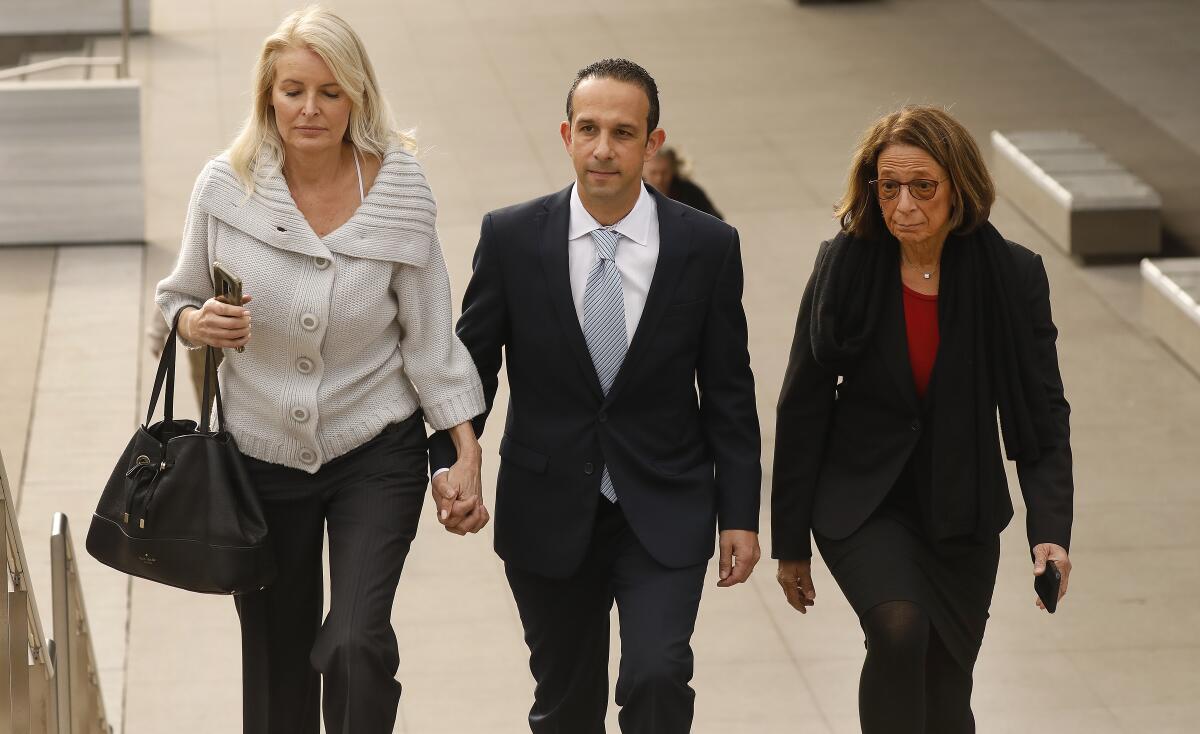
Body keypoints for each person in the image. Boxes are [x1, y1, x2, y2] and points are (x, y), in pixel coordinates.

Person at [154, 7, 487, 733]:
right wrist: (194, 322)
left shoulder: (400, 189)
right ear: (267, 96)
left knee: (354, 642)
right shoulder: (225, 185)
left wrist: (465, 449)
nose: (310, 108)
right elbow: (174, 302)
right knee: (275, 662)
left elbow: (432, 341)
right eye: (293, 89)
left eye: (330, 92)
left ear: (357, 99)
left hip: (374, 449)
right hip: (259, 461)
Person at [428, 58, 762, 734]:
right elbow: (470, 369)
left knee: (657, 677)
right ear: (566, 135)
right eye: (589, 129)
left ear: (652, 144)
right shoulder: (513, 238)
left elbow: (729, 390)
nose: (604, 149)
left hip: (664, 506)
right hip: (547, 510)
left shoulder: (706, 246)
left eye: (623, 132)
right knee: (566, 706)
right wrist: (450, 459)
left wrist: (740, 514)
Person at [771, 105, 1075, 733]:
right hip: (861, 502)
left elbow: (1041, 412)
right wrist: (790, 542)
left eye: (923, 186)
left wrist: (1050, 531)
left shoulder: (1013, 276)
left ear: (959, 187)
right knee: (899, 630)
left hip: (961, 511)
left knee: (944, 693)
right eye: (889, 186)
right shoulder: (845, 267)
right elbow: (802, 404)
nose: (904, 203)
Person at [643, 147, 723, 220]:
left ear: (673, 170)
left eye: (664, 172)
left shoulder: (690, 193)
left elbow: (716, 222)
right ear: (643, 171)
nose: (659, 179)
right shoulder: (633, 194)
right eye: (653, 173)